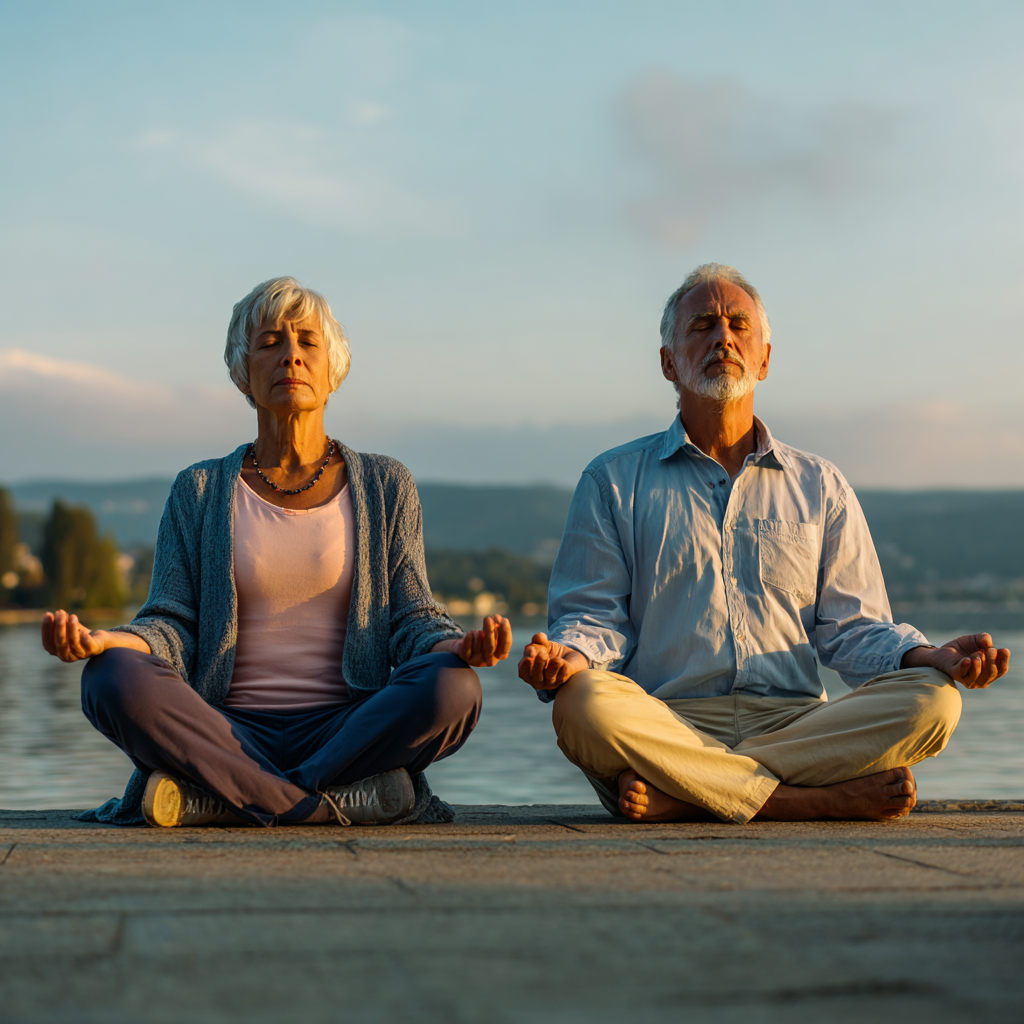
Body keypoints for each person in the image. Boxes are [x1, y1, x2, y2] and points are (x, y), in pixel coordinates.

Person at [518, 263, 1011, 825]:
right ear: (668, 362)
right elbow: (595, 617)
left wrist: (928, 657)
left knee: (935, 699)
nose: (723, 338)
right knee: (581, 704)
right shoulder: (611, 481)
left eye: (738, 325)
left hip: (796, 724)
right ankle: (810, 801)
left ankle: (692, 793)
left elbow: (853, 629)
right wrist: (567, 658)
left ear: (765, 359)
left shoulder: (820, 485)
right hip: (667, 722)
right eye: (702, 325)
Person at [42, 277, 512, 828]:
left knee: (454, 685)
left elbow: (412, 619)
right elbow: (171, 623)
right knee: (109, 677)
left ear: (333, 369)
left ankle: (229, 799)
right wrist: (108, 641)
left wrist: (457, 645)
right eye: (269, 342)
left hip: (347, 729)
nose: (291, 354)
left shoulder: (387, 485)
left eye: (308, 341)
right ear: (243, 372)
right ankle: (320, 803)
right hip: (225, 731)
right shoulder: (198, 490)